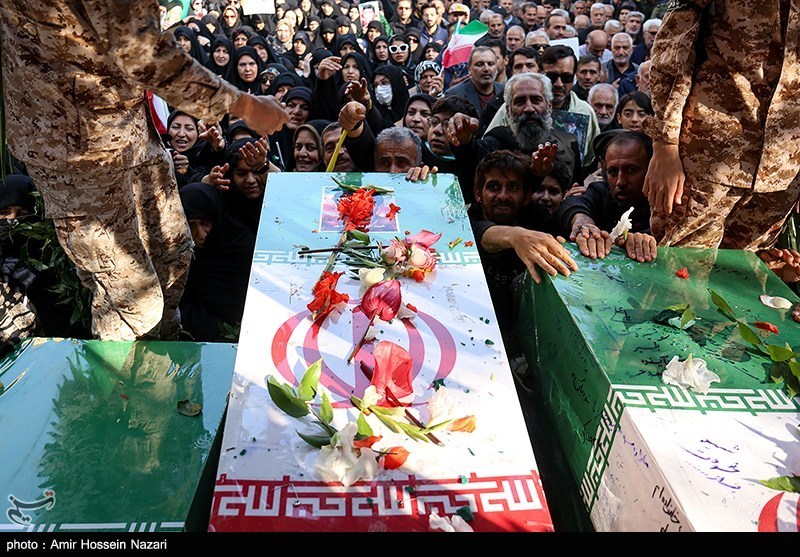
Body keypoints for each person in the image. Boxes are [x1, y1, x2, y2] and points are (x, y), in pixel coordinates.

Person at [0, 1, 288, 341]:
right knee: (131, 298)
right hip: (76, 152)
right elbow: (141, 50)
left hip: (131, 132)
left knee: (174, 255)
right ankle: (125, 374)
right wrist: (245, 106)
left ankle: (164, 351)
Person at [642, 0, 800, 286]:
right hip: (707, 157)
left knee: (743, 288)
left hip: (783, 173)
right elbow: (675, 47)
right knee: (677, 281)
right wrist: (665, 144)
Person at [447, 72, 582, 202]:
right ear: (508, 110)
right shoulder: (500, 138)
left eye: (536, 100)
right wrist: (465, 141)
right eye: (520, 102)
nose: (529, 108)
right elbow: (475, 156)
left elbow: (576, 187)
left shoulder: (569, 143)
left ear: (549, 106)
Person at [555, 131, 657, 263]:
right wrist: (582, 222)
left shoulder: (667, 205)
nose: (620, 181)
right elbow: (573, 203)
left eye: (631, 170)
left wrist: (647, 239)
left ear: (651, 169)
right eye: (613, 171)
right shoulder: (600, 192)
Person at [178, 181, 256, 342]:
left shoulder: (240, 246)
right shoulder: (175, 252)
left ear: (216, 215)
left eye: (206, 223)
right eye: (190, 225)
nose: (201, 234)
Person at [446, 46, 505, 119]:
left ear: (496, 67)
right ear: (469, 69)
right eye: (479, 64)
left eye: (490, 64)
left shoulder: (505, 90)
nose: (486, 69)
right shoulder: (455, 94)